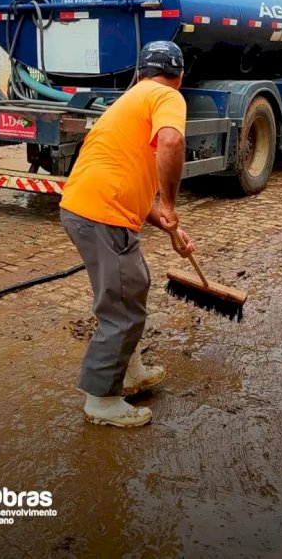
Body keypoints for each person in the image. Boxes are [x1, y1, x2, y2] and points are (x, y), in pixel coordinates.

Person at [59, 40, 195, 428]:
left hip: (87, 209)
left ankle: (129, 372)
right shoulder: (167, 97)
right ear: (179, 76)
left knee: (133, 286)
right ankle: (101, 400)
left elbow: (128, 175)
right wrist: (170, 202)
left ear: (139, 72)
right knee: (121, 307)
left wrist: (166, 222)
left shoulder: (131, 99)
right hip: (102, 215)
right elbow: (171, 141)